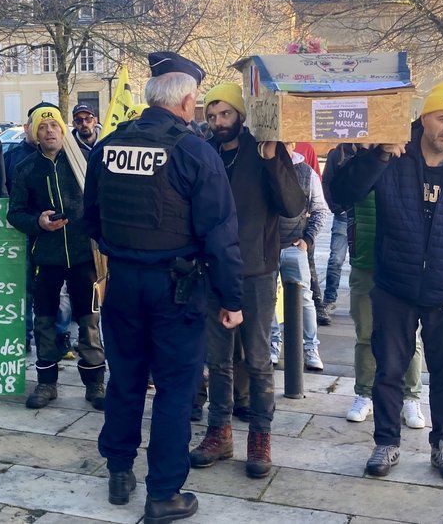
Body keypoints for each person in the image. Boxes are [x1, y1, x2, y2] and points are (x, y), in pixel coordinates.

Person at [84, 51, 242, 522]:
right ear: (188, 100)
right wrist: (232, 300)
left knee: (126, 379)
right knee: (175, 389)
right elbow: (219, 234)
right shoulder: (195, 152)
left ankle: (118, 470)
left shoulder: (107, 146)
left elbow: (90, 218)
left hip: (123, 283)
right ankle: (164, 493)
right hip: (176, 288)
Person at [328, 80, 443, 482]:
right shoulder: (394, 155)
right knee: (388, 369)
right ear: (423, 117)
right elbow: (340, 195)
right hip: (395, 285)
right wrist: (377, 157)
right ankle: (386, 442)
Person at [189, 82, 305, 480]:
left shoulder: (263, 150)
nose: (219, 122)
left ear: (240, 114)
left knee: (256, 359)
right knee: (217, 359)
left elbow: (293, 205)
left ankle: (260, 435)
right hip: (211, 270)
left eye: (225, 114)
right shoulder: (204, 153)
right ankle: (219, 432)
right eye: (212, 116)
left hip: (255, 270)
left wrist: (273, 158)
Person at [8, 105, 107, 410]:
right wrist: (38, 222)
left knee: (89, 322)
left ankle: (95, 383)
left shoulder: (84, 162)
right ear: (35, 135)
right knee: (45, 321)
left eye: (54, 126)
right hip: (46, 258)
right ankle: (46, 383)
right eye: (43, 127)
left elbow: (101, 203)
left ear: (63, 131)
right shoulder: (25, 168)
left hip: (83, 256)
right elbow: (15, 213)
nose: (49, 131)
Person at [324, 144, 425, 427]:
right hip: (365, 255)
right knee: (366, 333)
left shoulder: (406, 151)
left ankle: (411, 396)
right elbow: (335, 197)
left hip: (402, 259)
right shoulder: (344, 152)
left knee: (408, 335)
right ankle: (364, 393)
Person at [274, 150, 331, 372]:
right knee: (270, 298)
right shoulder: (264, 166)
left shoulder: (306, 172)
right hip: (268, 246)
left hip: (293, 245)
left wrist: (308, 238)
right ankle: (273, 343)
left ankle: (310, 347)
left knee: (304, 298)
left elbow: (320, 210)